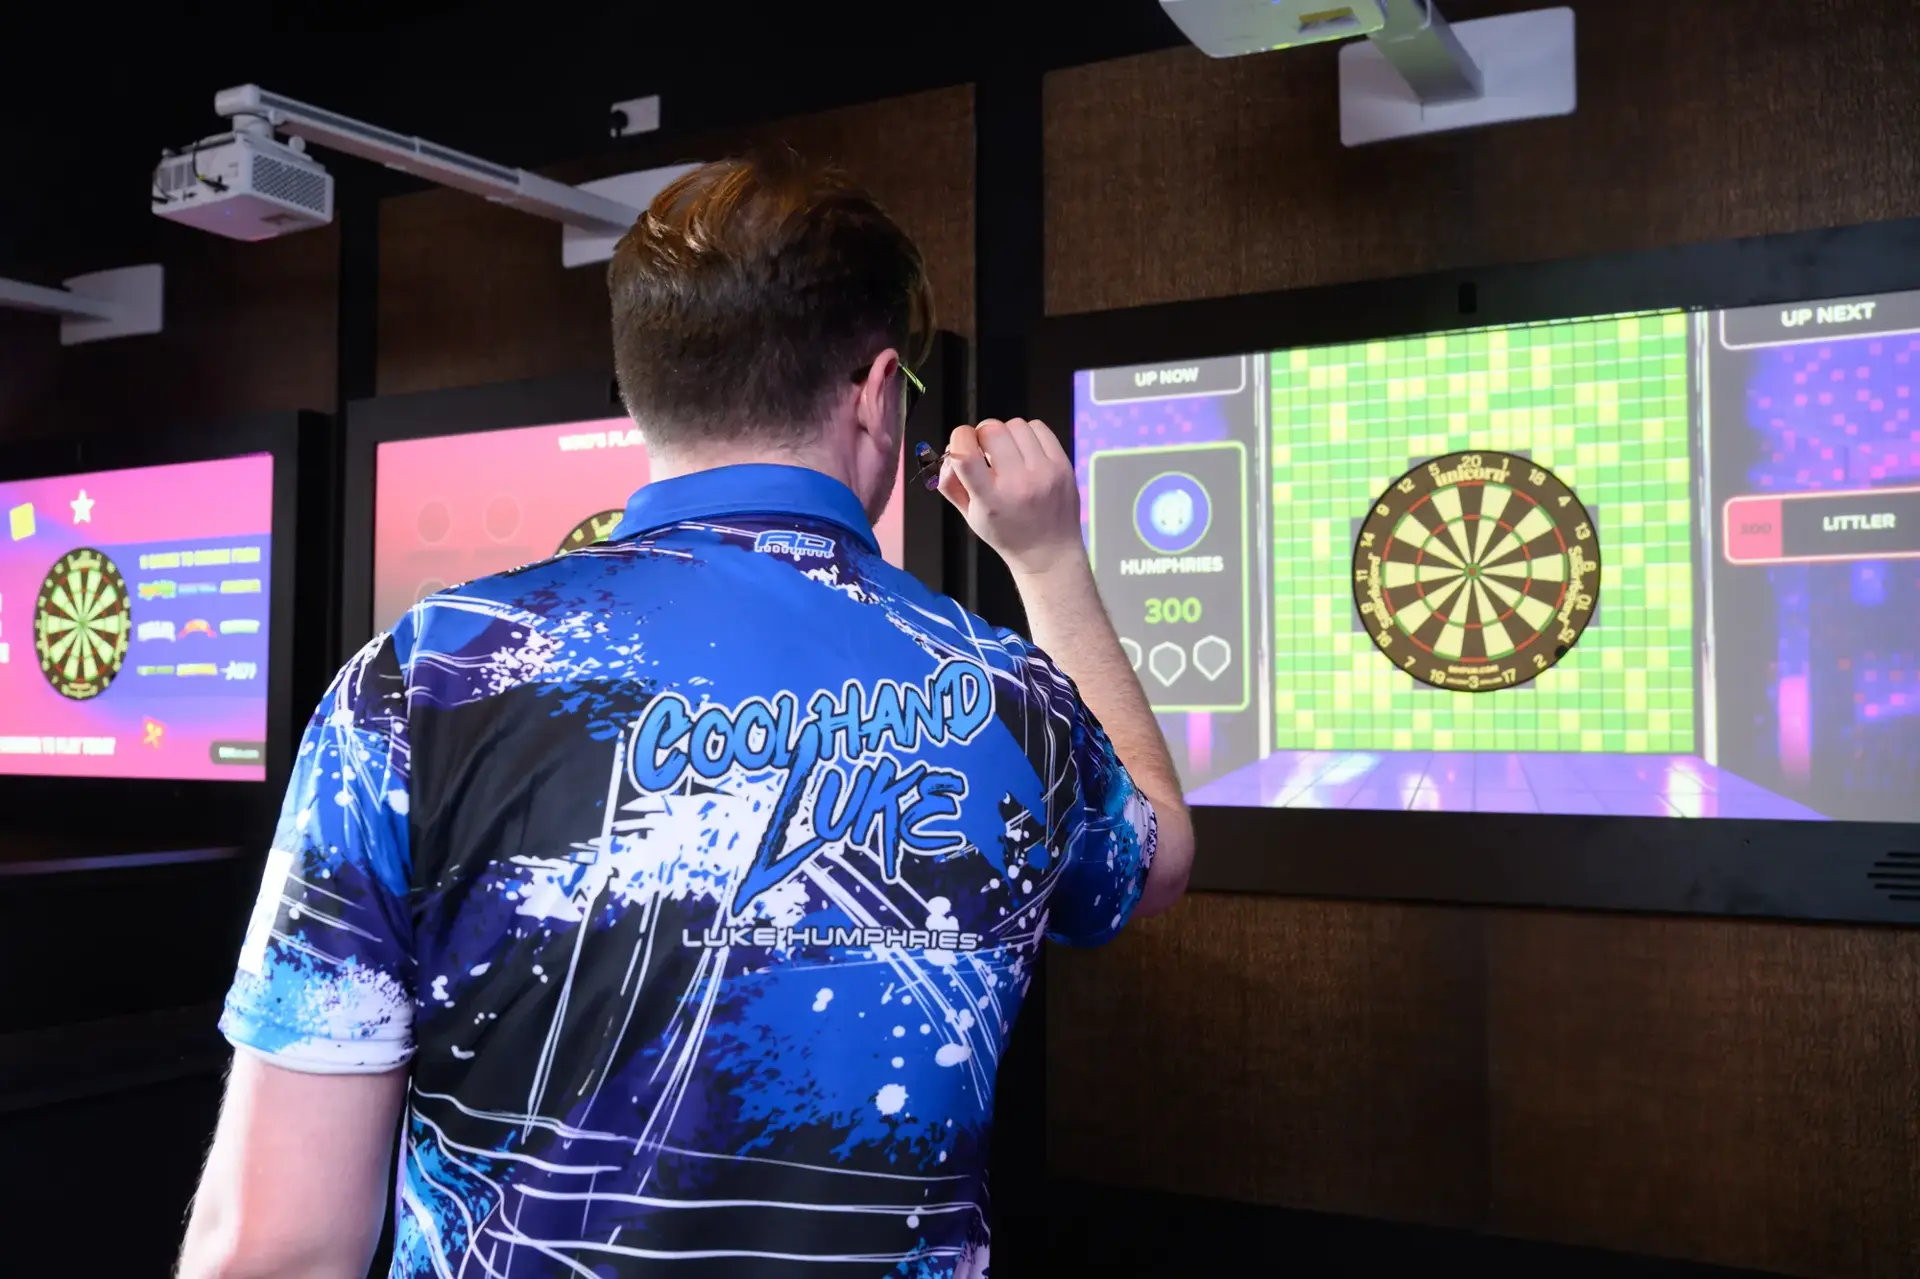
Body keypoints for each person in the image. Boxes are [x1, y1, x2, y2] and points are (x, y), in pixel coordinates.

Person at [178, 150, 1193, 1279]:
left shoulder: (423, 680)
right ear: (875, 390)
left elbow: (279, 1246)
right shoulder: (1006, 690)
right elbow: (1159, 853)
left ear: (642, 392)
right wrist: (1050, 560)